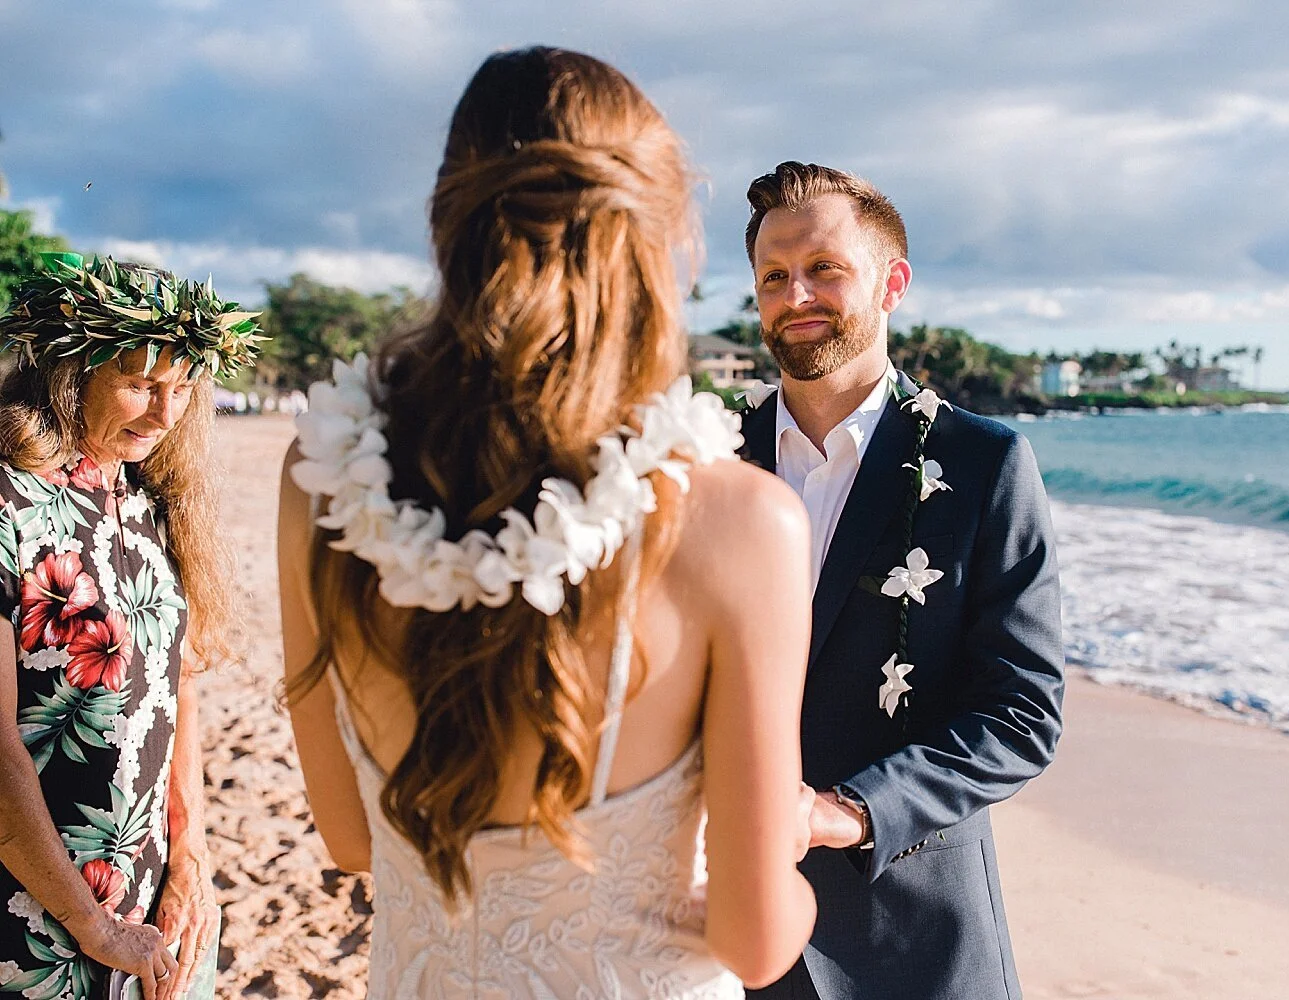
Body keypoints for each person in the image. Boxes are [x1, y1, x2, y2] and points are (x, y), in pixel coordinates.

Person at [277, 48, 817, 998]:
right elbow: (755, 938)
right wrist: (796, 879)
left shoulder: (320, 481)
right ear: (659, 246)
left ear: (450, 220)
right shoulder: (737, 522)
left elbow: (349, 834)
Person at [735, 162, 1066, 1000]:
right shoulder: (701, 461)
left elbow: (1021, 713)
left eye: (825, 269)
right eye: (774, 276)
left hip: (911, 944)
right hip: (723, 935)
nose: (797, 292)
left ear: (893, 283)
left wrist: (847, 811)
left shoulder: (986, 464)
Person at [0, 253, 259, 999]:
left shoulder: (150, 504)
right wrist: (92, 926)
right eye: (141, 383)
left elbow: (176, 693)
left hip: (152, 898)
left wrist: (192, 860)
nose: (165, 413)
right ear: (68, 373)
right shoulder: (8, 508)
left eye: (182, 389)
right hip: (35, 910)